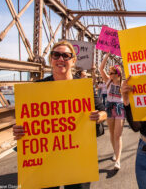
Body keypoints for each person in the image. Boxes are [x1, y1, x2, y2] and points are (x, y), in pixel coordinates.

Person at [12, 40, 107, 189]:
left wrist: (98, 116)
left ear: (73, 61)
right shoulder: (37, 88)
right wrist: (20, 130)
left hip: (78, 155)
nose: (60, 59)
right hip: (46, 158)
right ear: (51, 59)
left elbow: (103, 111)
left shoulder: (83, 88)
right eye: (56, 55)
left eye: (66, 56)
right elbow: (27, 121)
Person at [99, 52, 125, 170]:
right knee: (111, 132)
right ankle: (115, 152)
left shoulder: (122, 83)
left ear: (117, 74)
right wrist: (108, 55)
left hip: (119, 107)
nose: (109, 74)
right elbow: (101, 68)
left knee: (117, 134)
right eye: (109, 73)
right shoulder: (108, 81)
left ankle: (118, 160)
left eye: (111, 73)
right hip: (109, 106)